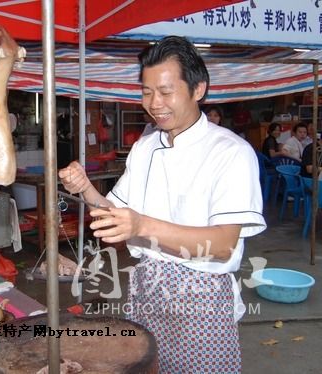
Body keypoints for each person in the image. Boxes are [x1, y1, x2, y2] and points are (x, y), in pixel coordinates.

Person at [58, 36, 266, 373]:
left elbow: (224, 245)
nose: (155, 103)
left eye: (166, 92)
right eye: (146, 91)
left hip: (202, 298)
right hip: (147, 287)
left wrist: (141, 226)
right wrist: (86, 189)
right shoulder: (145, 148)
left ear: (198, 89)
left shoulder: (231, 152)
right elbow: (115, 213)